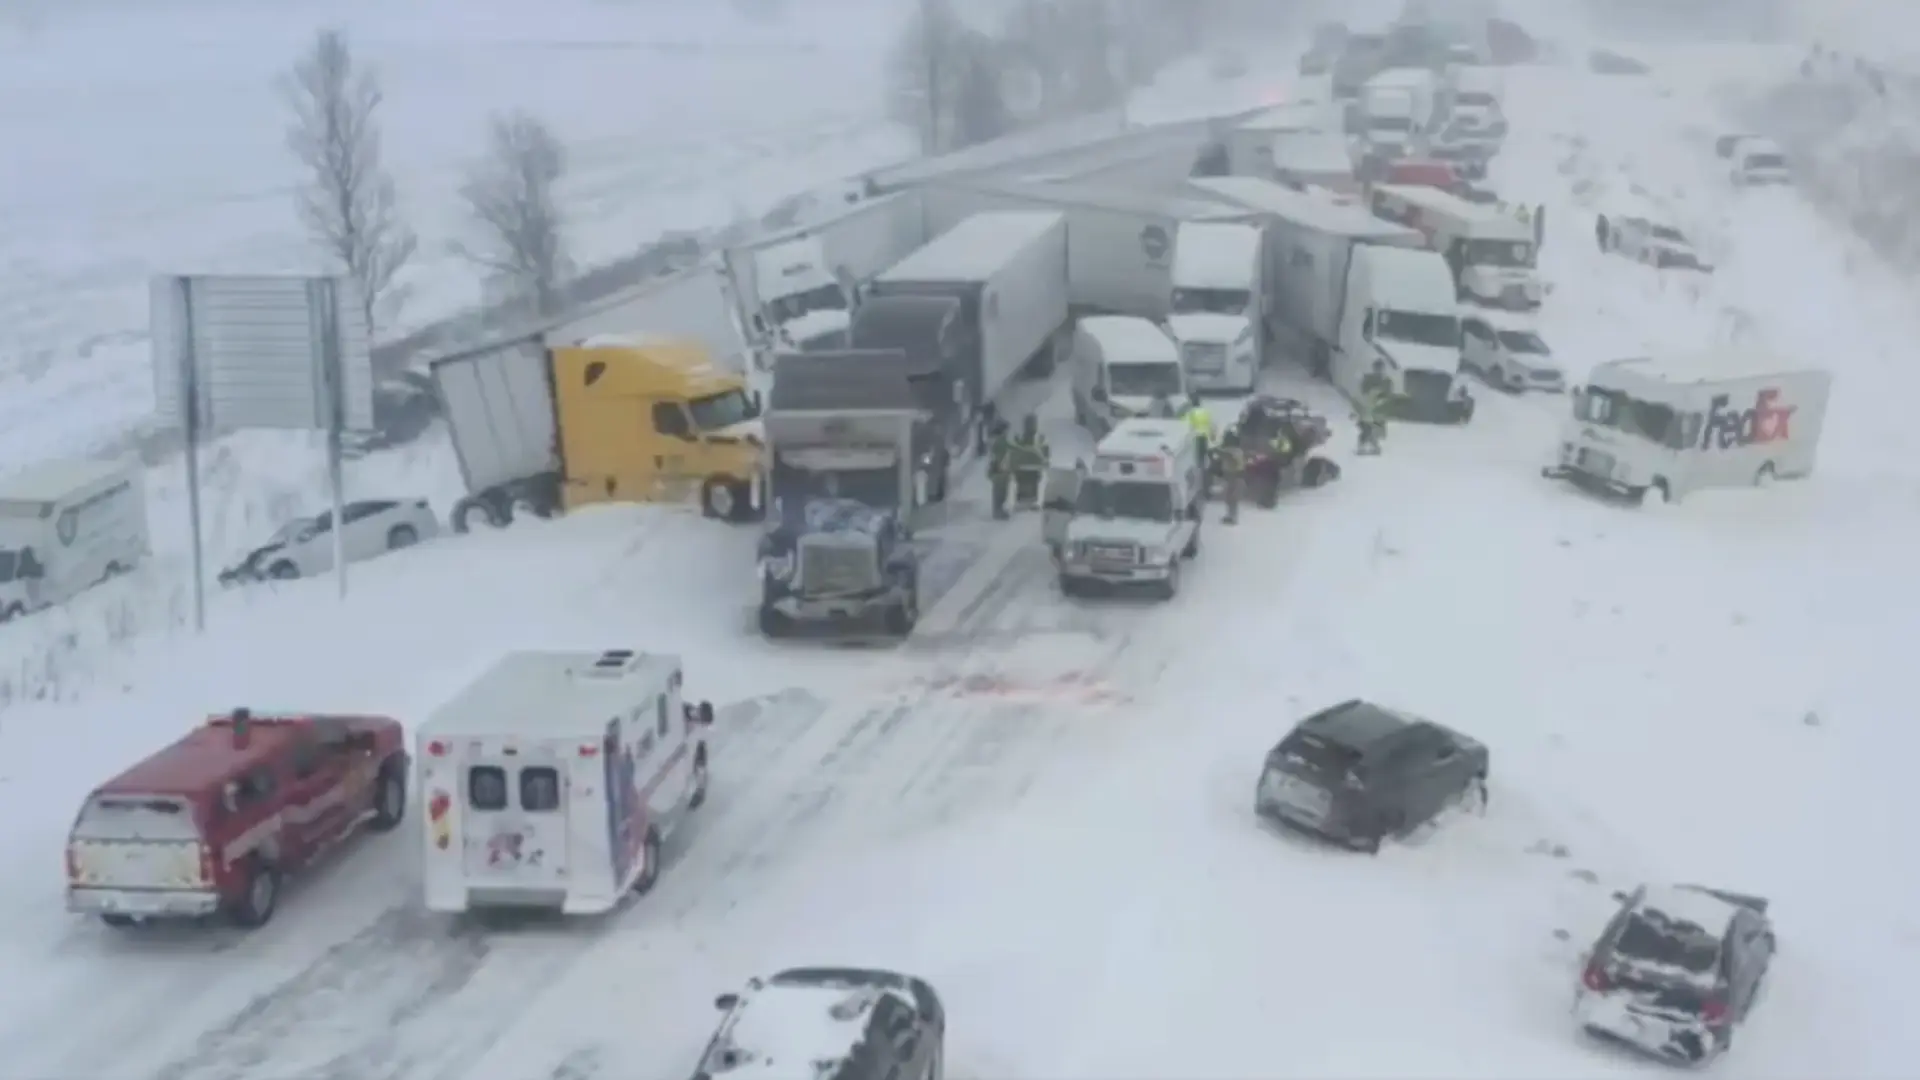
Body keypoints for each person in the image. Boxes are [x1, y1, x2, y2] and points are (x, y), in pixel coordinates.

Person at [1009, 415, 1049, 511]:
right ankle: (1034, 501)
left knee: (1019, 481)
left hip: (1023, 466)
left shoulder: (1020, 438)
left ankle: (1020, 501)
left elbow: (1014, 451)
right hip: (1032, 466)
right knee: (1037, 480)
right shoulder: (1040, 438)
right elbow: (1045, 454)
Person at [1356, 361, 1393, 456]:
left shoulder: (1386, 381)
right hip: (1369, 407)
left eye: (1380, 368)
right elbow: (1364, 391)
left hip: (1379, 409)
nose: (1378, 371)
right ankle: (1363, 445)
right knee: (1366, 427)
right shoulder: (1369, 379)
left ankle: (1374, 445)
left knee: (1376, 428)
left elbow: (1388, 394)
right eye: (1376, 368)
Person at [1215, 430, 1246, 524]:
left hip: (1234, 475)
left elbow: (1232, 459)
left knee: (1232, 497)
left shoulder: (1233, 451)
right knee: (1230, 497)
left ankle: (1232, 517)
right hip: (1232, 475)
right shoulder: (1235, 450)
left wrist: (1220, 452)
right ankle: (1231, 515)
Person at [987, 419, 1013, 519]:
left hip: (997, 469)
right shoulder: (1001, 441)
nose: (1008, 432)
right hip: (1000, 469)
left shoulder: (996, 440)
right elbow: (1002, 456)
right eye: (1006, 430)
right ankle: (998, 511)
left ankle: (997, 510)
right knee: (1001, 491)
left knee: (998, 491)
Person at [1184, 401, 1214, 474]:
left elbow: (1190, 424)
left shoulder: (1192, 412)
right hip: (1205, 434)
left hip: (1197, 435)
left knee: (1198, 454)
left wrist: (1188, 436)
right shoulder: (1205, 412)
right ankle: (1204, 467)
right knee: (1204, 452)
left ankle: (1199, 468)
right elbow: (1210, 423)